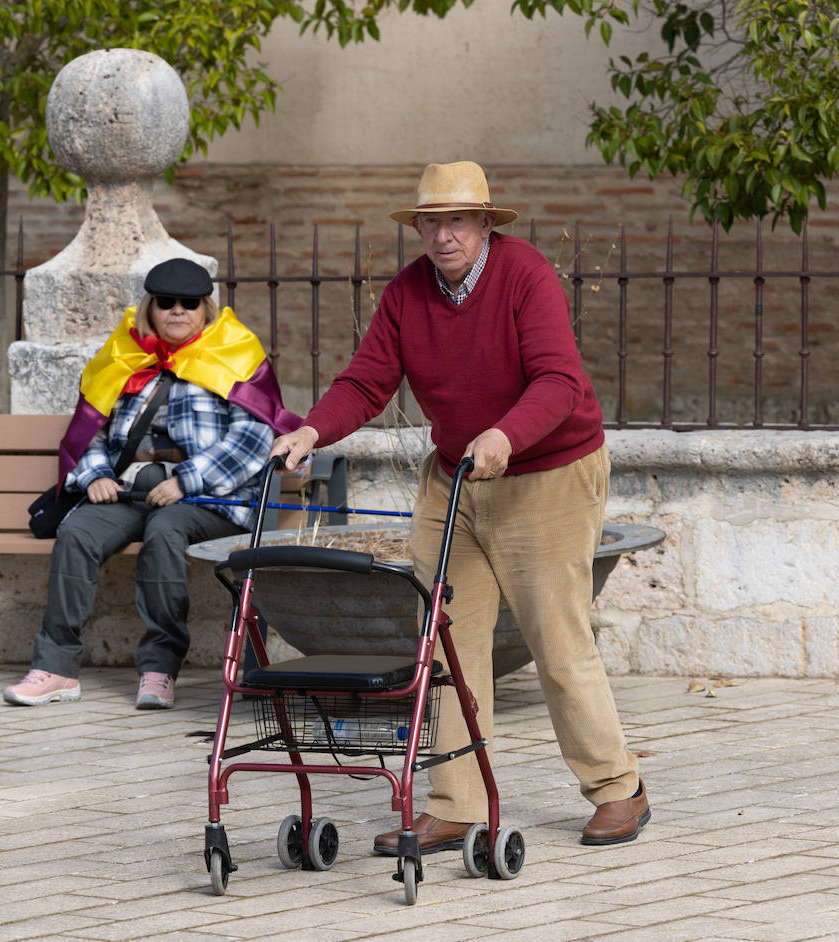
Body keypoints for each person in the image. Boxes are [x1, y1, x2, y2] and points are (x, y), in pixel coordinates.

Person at [270, 161, 651, 851]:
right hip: (455, 478)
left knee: (555, 638)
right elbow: (366, 381)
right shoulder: (408, 293)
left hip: (547, 471)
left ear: (483, 223)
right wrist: (311, 430)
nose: (444, 235)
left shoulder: (525, 276)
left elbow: (560, 379)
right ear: (418, 227)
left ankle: (617, 787)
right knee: (443, 641)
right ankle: (456, 800)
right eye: (431, 222)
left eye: (458, 220)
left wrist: (507, 434)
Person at [5, 257, 302, 710]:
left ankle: (159, 669)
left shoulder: (236, 351)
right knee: (78, 531)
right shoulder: (126, 354)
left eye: (188, 303)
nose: (177, 311)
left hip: (208, 499)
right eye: (166, 302)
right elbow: (92, 430)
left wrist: (187, 480)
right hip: (130, 491)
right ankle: (57, 668)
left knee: (165, 533)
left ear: (205, 309)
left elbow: (252, 439)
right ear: (152, 308)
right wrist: (95, 475)